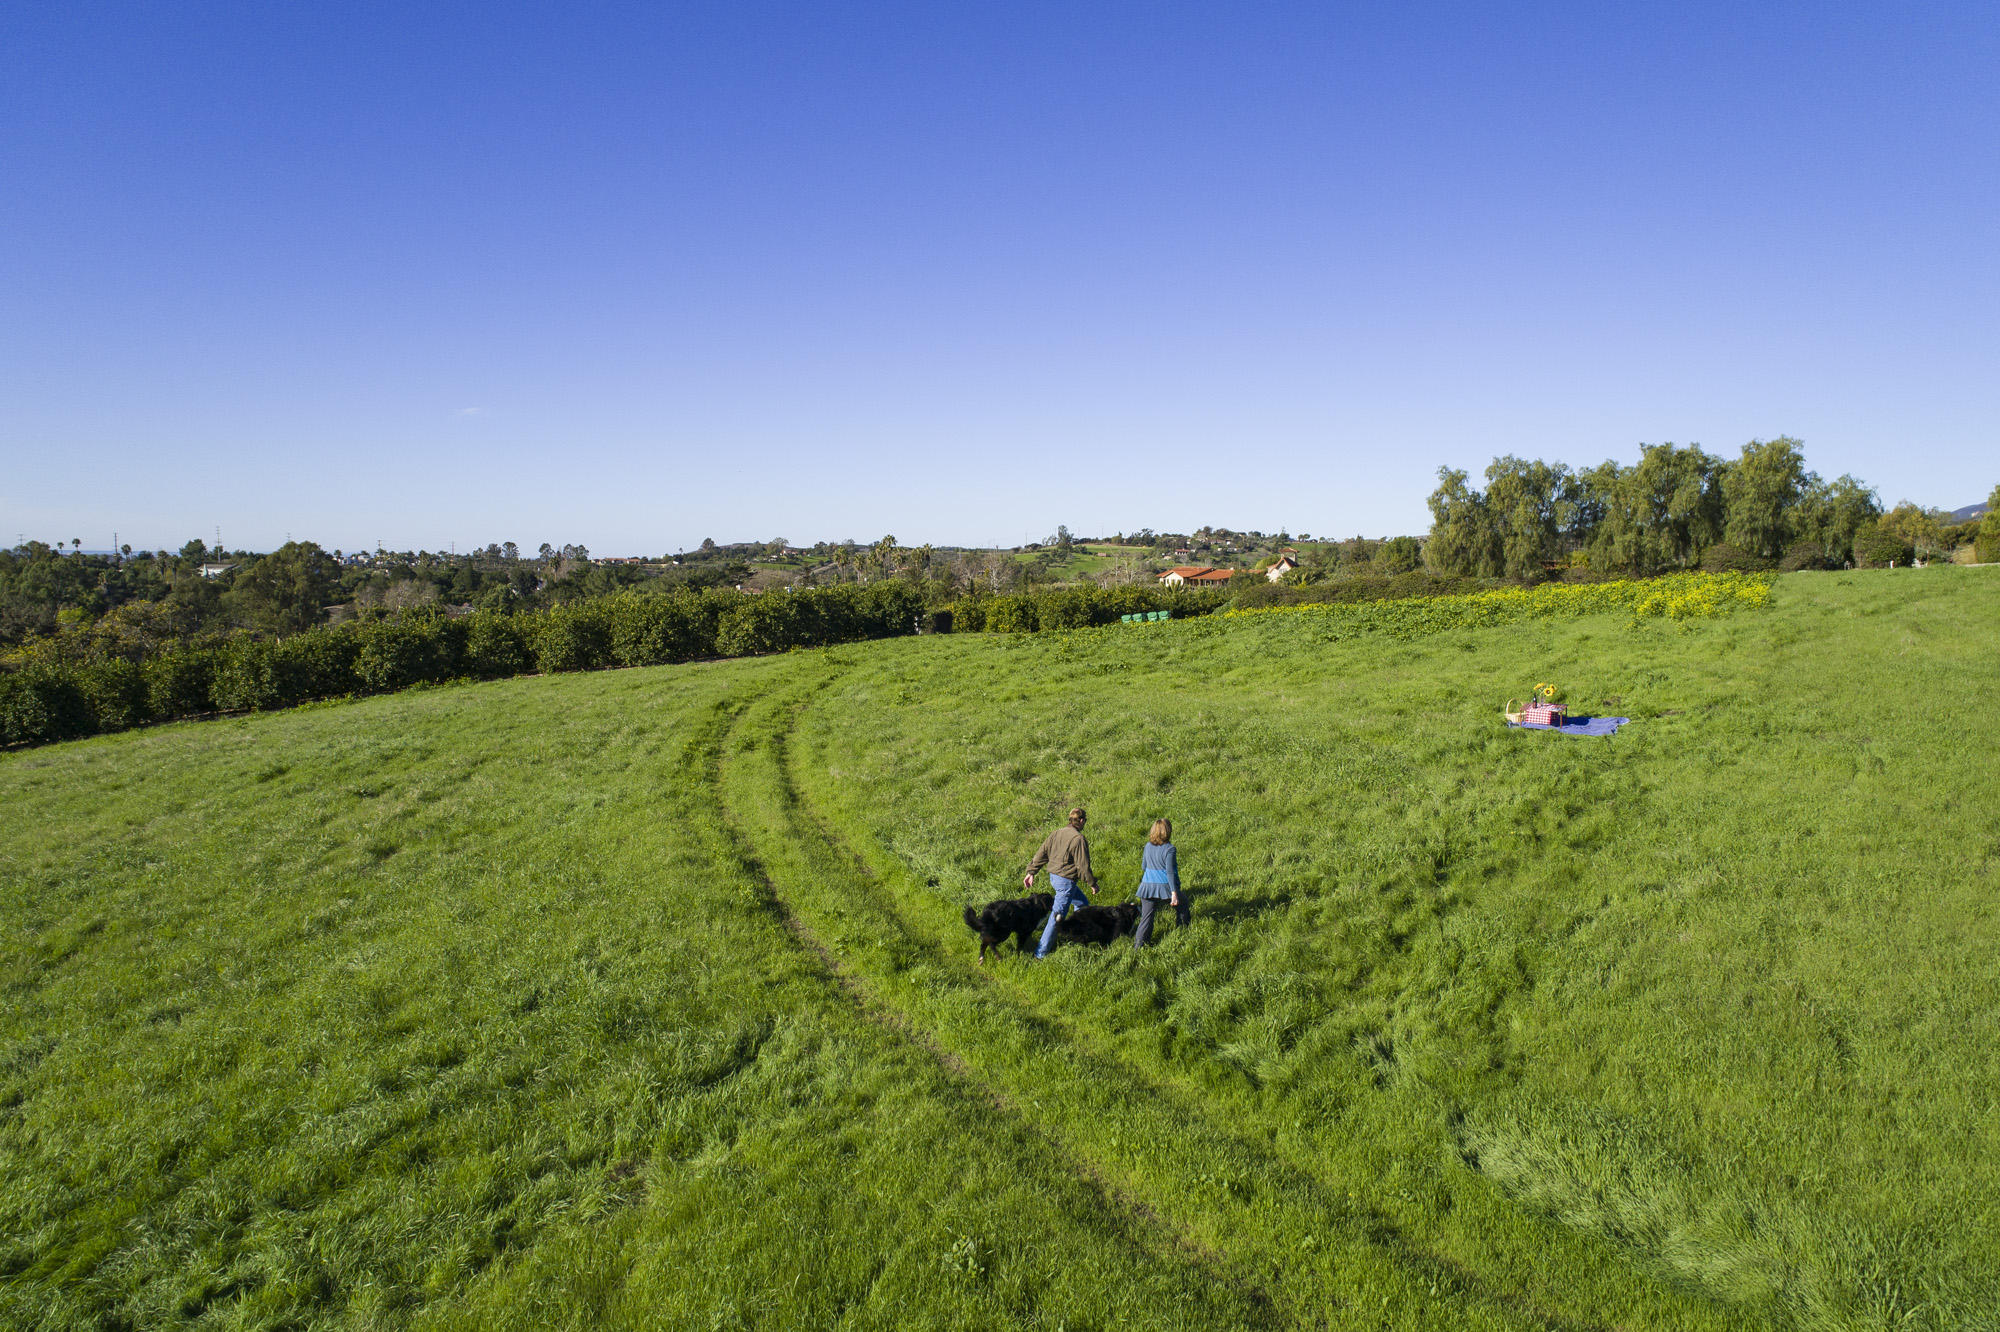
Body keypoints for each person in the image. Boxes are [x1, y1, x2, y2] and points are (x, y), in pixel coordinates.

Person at [1026, 807, 1098, 958]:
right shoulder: (1078, 839)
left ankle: (1076, 933)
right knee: (1056, 917)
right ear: (1082, 820)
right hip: (1066, 882)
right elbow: (1083, 866)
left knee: (1082, 904)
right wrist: (1092, 883)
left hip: (1054, 877)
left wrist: (1031, 872)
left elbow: (1042, 852)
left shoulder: (1056, 833)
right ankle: (1040, 954)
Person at [1132, 817, 1186, 948]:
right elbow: (1170, 872)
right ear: (1168, 831)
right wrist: (1174, 892)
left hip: (1146, 886)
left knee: (1146, 917)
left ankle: (1138, 946)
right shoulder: (1170, 849)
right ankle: (1183, 931)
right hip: (1164, 887)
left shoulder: (1147, 846)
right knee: (1183, 905)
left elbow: (1144, 866)